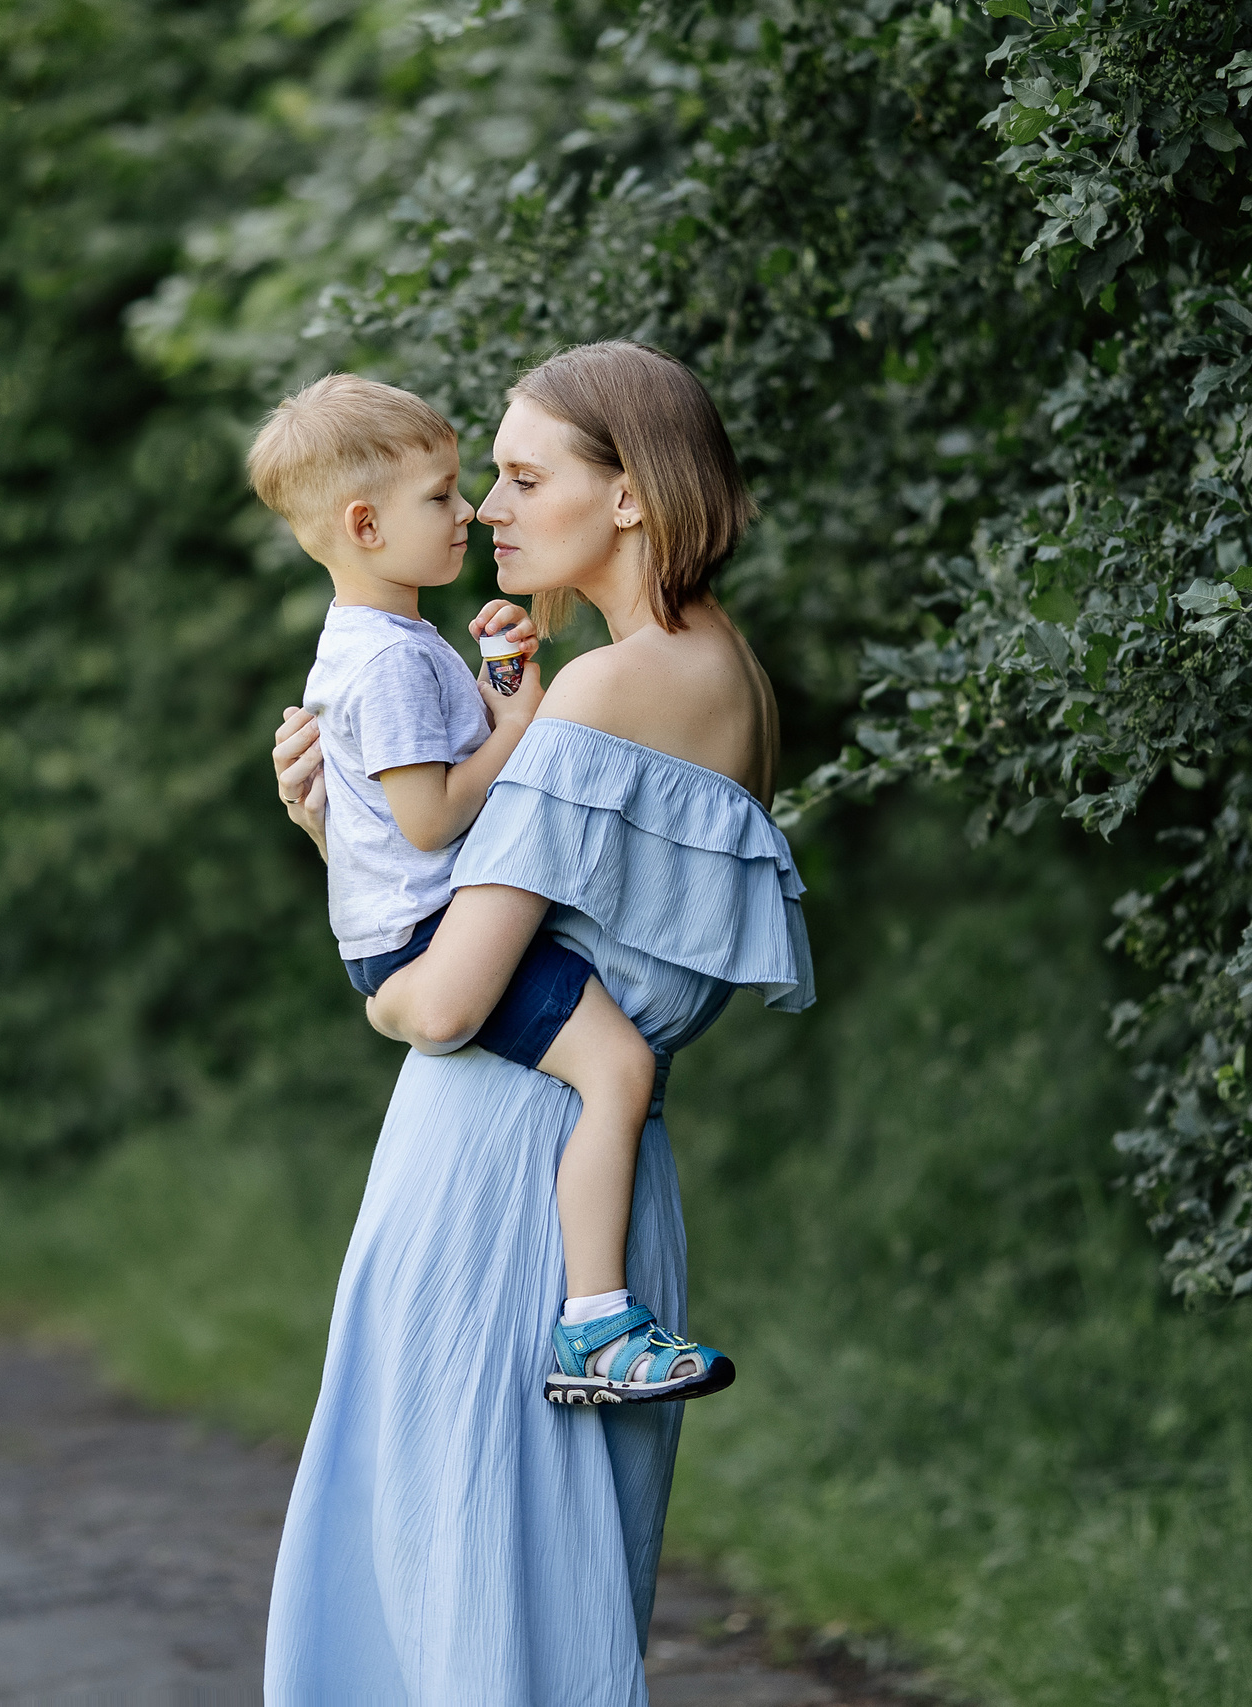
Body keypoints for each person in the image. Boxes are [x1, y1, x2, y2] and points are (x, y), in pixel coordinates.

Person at [262, 343, 814, 1704]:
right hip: (594, 1184)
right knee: (536, 1600)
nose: (492, 510)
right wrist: (350, 823)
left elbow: (444, 995)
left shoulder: (605, 692)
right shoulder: (715, 667)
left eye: (521, 476)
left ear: (629, 496)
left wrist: (374, 949)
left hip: (500, 1179)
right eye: (484, 482)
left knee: (467, 1597)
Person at [245, 373, 728, 1407]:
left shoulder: (399, 646)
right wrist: (516, 731)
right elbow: (431, 831)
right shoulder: (388, 662)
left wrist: (495, 697)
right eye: (455, 491)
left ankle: (599, 1317)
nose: (476, 510)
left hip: (435, 972)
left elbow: (428, 832)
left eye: (511, 479)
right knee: (615, 1068)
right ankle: (597, 1323)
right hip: (436, 979)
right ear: (364, 525)